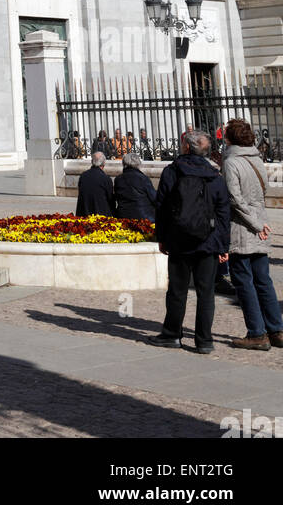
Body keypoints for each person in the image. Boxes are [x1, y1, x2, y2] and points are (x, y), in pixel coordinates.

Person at [150, 128, 231, 354]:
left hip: (178, 240)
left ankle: (172, 334)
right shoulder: (215, 177)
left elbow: (162, 208)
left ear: (186, 147)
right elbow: (224, 213)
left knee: (177, 290)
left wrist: (162, 238)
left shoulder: (172, 172)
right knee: (206, 293)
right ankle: (204, 340)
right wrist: (224, 246)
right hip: (209, 242)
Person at [222, 118, 283, 351]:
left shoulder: (232, 162)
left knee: (243, 281)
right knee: (263, 280)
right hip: (261, 224)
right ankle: (276, 329)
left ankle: (257, 333)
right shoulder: (257, 159)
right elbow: (263, 190)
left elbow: (234, 200)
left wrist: (255, 224)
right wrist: (260, 222)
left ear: (230, 138)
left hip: (243, 227)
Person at [112, 152, 157, 221]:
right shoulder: (143, 178)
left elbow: (117, 197)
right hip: (143, 217)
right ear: (138, 164)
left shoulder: (118, 179)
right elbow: (154, 198)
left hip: (123, 215)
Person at [76, 152, 115, 217]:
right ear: (104, 163)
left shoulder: (83, 176)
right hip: (101, 216)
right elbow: (110, 200)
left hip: (84, 214)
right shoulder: (106, 178)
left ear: (92, 162)